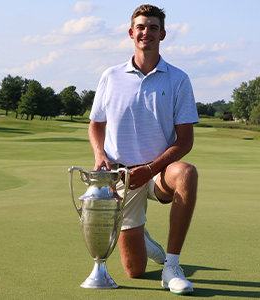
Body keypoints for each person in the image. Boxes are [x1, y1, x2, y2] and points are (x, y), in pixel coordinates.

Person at [88, 4, 199, 295]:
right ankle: (145, 242)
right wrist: (100, 156)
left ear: (162, 34)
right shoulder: (110, 76)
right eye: (140, 27)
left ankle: (172, 267)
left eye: (152, 27)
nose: (146, 32)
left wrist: (151, 168)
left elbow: (185, 140)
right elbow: (96, 124)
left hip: (159, 171)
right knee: (135, 271)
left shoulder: (178, 79)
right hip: (122, 176)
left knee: (187, 173)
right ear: (131, 33)